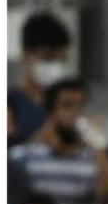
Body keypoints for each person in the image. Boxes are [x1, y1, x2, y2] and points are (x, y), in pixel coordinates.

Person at [9, 79, 108, 204]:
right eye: (67, 105)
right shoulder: (25, 157)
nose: (74, 113)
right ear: (51, 112)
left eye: (80, 106)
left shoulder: (94, 159)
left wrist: (98, 147)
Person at [8, 12, 72, 145]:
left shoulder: (69, 103)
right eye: (47, 58)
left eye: (61, 60)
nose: (55, 66)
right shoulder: (11, 104)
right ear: (25, 56)